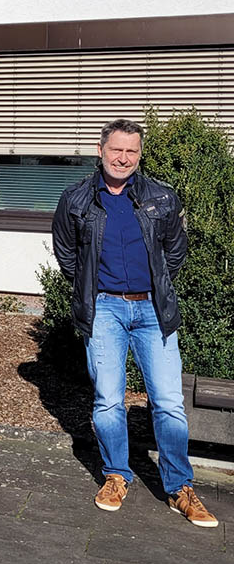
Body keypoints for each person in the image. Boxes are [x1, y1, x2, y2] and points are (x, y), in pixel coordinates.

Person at [52, 118, 217, 527]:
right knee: (108, 400)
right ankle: (115, 475)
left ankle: (180, 487)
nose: (123, 158)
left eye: (132, 151)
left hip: (152, 312)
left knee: (168, 402)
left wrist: (153, 285)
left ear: (139, 155)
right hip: (104, 309)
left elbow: (175, 252)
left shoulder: (161, 197)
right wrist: (93, 289)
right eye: (116, 150)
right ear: (100, 150)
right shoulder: (76, 200)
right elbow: (67, 255)